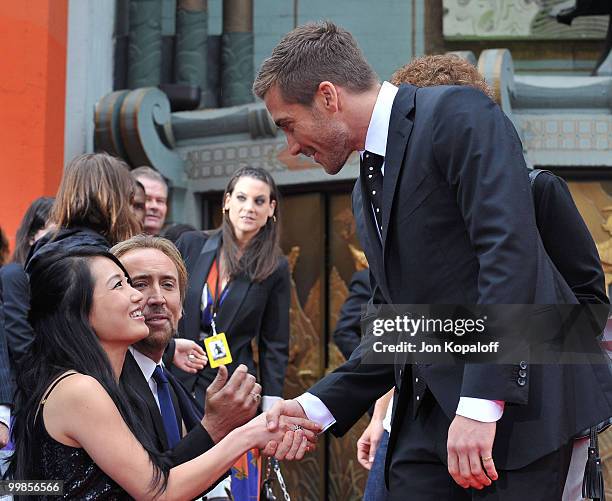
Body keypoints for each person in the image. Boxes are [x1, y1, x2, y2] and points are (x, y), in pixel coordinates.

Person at [254, 22, 612, 500]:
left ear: (327, 96)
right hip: (423, 431)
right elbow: (401, 326)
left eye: (287, 124)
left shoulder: (458, 113)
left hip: (517, 427)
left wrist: (482, 404)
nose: (291, 147)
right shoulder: (365, 187)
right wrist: (316, 406)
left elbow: (509, 256)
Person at [7, 247, 316, 499]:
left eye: (168, 285)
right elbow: (159, 491)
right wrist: (250, 432)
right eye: (124, 284)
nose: (142, 297)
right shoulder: (79, 389)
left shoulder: (107, 381)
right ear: (80, 313)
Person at [174, 166, 290, 499]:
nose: (248, 207)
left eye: (259, 201)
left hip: (233, 389)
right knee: (182, 477)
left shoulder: (275, 267)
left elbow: (275, 343)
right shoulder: (192, 244)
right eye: (241, 197)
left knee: (225, 487)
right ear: (226, 202)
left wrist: (271, 410)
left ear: (271, 210)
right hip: (181, 379)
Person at [111, 234, 262, 463]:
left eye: (168, 285)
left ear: (181, 305)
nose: (158, 298)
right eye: (140, 284)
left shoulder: (166, 381)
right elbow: (154, 485)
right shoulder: (106, 384)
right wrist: (215, 427)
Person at [131, 166, 168, 236]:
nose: (154, 206)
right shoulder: (108, 245)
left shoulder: (176, 246)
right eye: (147, 199)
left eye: (160, 201)